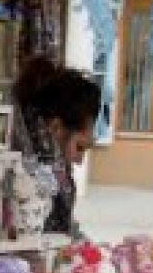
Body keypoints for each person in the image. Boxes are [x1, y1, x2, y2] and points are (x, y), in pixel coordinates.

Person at [10, 57, 102, 236]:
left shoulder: (44, 157)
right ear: (55, 128)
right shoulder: (24, 170)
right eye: (79, 147)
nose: (79, 161)